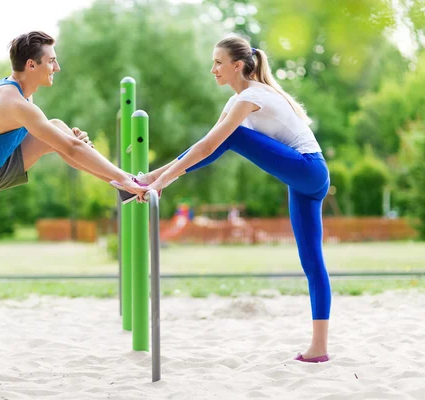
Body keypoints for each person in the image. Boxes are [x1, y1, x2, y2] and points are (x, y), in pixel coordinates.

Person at [0, 31, 145, 372]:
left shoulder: (24, 97)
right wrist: (126, 174)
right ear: (31, 64)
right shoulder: (10, 102)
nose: (58, 66)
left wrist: (76, 146)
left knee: (58, 128)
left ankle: (121, 187)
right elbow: (71, 149)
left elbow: (64, 142)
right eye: (52, 61)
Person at [139, 36, 331, 363]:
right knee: (311, 261)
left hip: (308, 169)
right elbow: (204, 149)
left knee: (234, 136)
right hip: (305, 181)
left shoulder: (252, 95)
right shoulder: (240, 100)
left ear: (237, 65)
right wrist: (157, 177)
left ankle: (149, 180)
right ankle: (319, 349)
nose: (212, 69)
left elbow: (210, 146)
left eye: (218, 62)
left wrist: (159, 181)